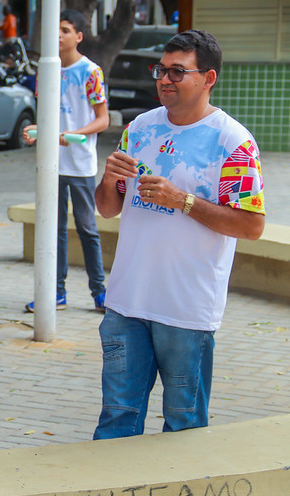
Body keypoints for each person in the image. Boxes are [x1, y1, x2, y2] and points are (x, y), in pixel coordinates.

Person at [93, 30, 265, 440]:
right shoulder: (139, 128)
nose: (164, 80)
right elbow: (109, 207)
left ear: (208, 78)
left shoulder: (233, 142)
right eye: (160, 70)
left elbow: (251, 225)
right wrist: (108, 179)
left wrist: (182, 201)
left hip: (186, 310)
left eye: (177, 72)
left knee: (184, 428)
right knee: (116, 422)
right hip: (127, 303)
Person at [23, 9, 109, 313]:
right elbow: (44, 116)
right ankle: (55, 293)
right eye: (55, 29)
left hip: (80, 163)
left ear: (79, 36)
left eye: (66, 29)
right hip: (50, 163)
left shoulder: (90, 72)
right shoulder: (46, 72)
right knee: (52, 228)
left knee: (87, 228)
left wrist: (72, 134)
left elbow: (103, 120)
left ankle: (100, 292)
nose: (58, 35)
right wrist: (36, 131)